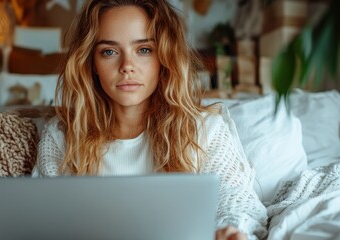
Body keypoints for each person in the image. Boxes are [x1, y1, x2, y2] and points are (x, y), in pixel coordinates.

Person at [32, 0, 268, 239]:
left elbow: (237, 202)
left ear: (163, 57)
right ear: (92, 62)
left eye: (143, 49)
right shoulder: (62, 136)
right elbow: (39, 216)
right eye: (109, 51)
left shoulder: (203, 130)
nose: (127, 66)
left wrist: (231, 231)